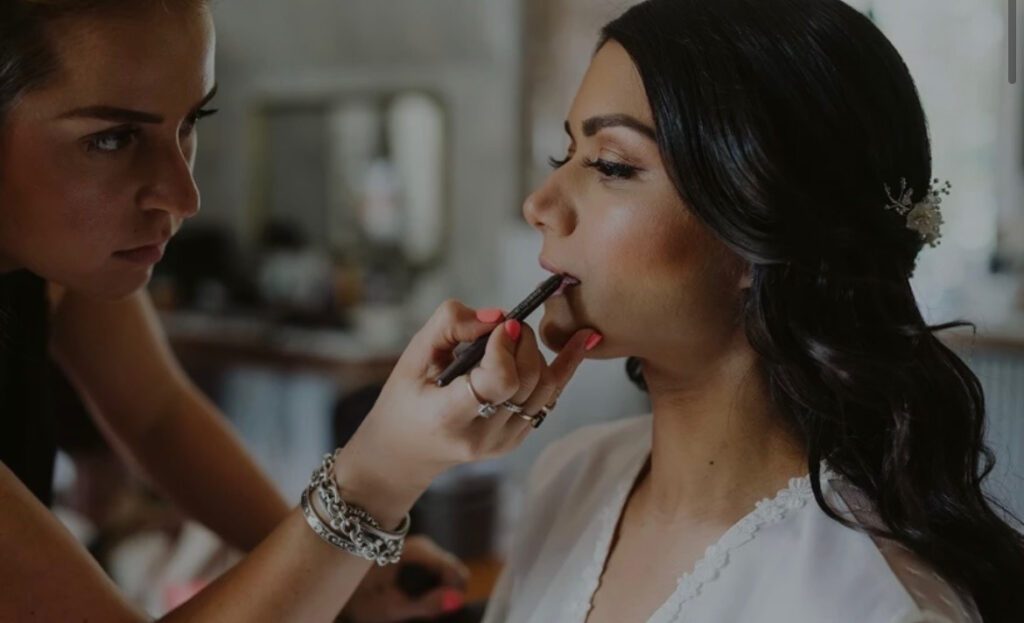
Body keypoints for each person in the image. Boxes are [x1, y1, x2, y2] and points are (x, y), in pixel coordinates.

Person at [0, 1, 599, 621]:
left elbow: (157, 416)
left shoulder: (52, 273)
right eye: (112, 139)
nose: (185, 195)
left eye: (191, 121)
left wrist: (342, 571)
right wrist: (375, 476)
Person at [480, 1, 1024, 622]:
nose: (539, 204)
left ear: (759, 238)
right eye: (565, 155)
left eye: (611, 165)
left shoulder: (869, 603)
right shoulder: (571, 476)